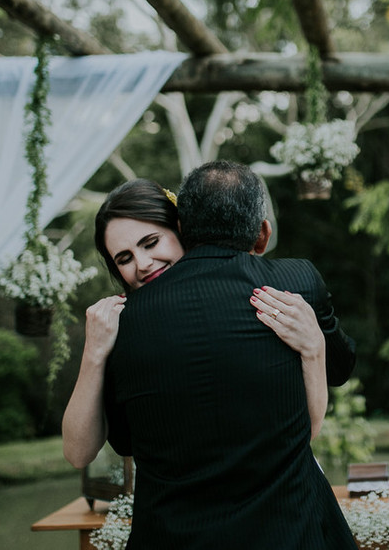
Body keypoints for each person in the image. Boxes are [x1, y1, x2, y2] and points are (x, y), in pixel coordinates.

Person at [101, 162, 358, 549]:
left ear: (182, 229)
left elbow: (123, 441)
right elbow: (340, 368)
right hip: (289, 532)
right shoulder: (295, 285)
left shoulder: (122, 321)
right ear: (263, 233)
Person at [61, 177, 346, 470]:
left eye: (150, 243)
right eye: (124, 258)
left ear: (182, 229)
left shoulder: (264, 296)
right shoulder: (118, 325)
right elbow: (78, 453)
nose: (143, 263)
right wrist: (94, 353)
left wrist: (314, 347)